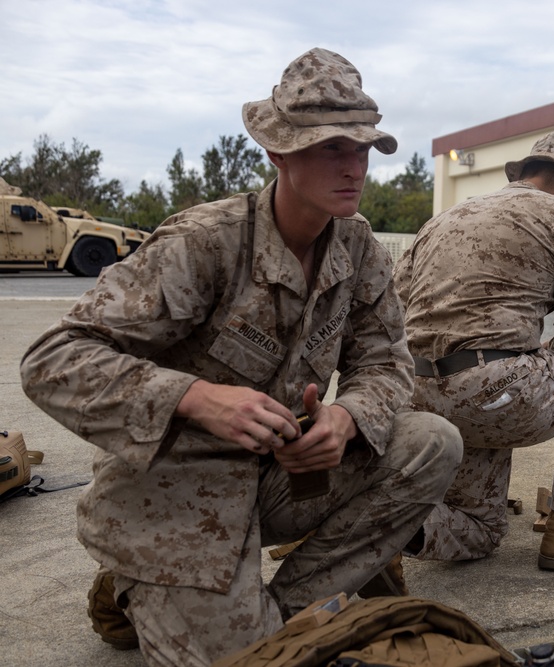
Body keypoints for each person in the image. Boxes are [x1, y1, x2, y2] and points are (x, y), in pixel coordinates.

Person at [19, 48, 462, 667]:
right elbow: (53, 359)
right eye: (332, 147)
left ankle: (279, 614)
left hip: (280, 477)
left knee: (431, 441)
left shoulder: (357, 247)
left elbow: (386, 362)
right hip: (176, 488)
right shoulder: (206, 243)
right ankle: (141, 571)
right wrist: (196, 398)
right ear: (278, 152)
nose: (354, 166)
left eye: (363, 148)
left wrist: (348, 418)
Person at [392, 132, 554, 571]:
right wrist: (532, 357)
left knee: (479, 529)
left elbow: (394, 310)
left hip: (418, 393)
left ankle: (385, 526)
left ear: (521, 174)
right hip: (496, 393)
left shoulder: (443, 218)